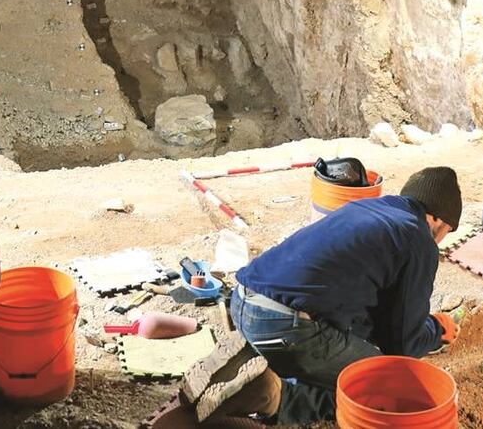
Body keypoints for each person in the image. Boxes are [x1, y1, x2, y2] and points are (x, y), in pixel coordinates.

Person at [180, 166, 463, 425]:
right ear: (436, 217)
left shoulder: (369, 209)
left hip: (244, 300)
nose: (440, 239)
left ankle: (247, 356)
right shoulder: (418, 239)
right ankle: (271, 395)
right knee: (376, 383)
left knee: (345, 339)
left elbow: (366, 309)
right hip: (284, 325)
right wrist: (436, 330)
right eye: (446, 231)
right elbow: (402, 343)